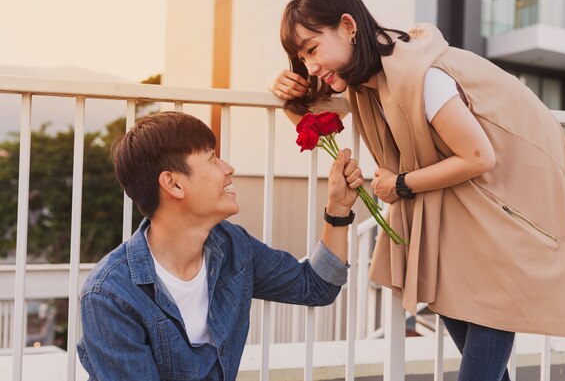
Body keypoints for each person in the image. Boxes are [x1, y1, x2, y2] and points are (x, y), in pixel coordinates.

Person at [269, 0, 565, 381]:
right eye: (302, 58)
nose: (310, 67)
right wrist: (278, 88)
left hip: (508, 204)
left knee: (480, 355)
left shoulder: (421, 76)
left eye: (312, 49)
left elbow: (478, 155)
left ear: (348, 26)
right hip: (464, 208)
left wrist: (400, 184)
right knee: (476, 352)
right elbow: (312, 121)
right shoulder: (369, 82)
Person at [77, 111, 363, 380]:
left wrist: (337, 209)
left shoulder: (231, 245)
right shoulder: (110, 296)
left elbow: (315, 287)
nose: (228, 168)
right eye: (212, 158)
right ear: (173, 184)